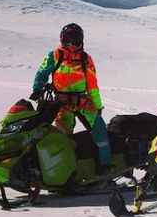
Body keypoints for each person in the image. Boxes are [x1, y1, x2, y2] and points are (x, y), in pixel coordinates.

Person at [30, 23, 112, 172]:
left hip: (83, 102)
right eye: (68, 40)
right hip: (61, 104)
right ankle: (64, 170)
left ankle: (105, 167)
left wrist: (98, 106)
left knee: (100, 132)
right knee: (62, 138)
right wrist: (37, 89)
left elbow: (92, 85)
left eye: (75, 41)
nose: (72, 45)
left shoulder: (86, 59)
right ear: (62, 40)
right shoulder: (55, 55)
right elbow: (42, 73)